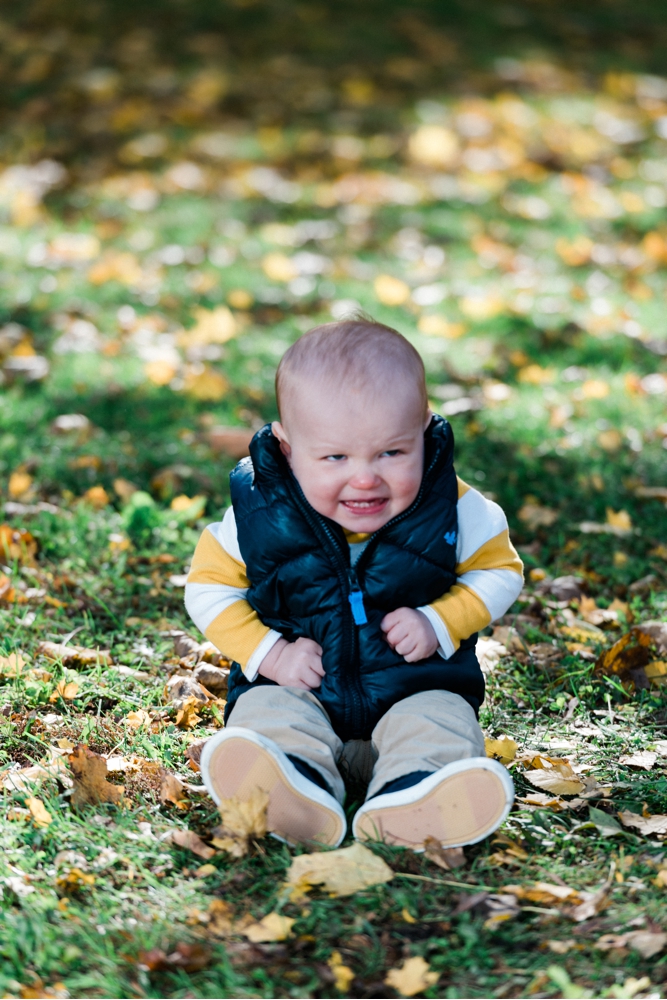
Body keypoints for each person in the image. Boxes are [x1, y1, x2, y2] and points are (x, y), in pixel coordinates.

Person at [185, 317, 523, 850]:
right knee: (267, 714)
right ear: (288, 449)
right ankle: (292, 784)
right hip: (301, 692)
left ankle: (419, 794)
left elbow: (501, 571)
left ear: (423, 430)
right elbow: (207, 589)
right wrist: (269, 655)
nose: (365, 477)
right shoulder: (260, 518)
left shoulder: (454, 510)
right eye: (335, 457)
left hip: (414, 691)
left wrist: (439, 622)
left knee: (443, 720)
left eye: (392, 452)